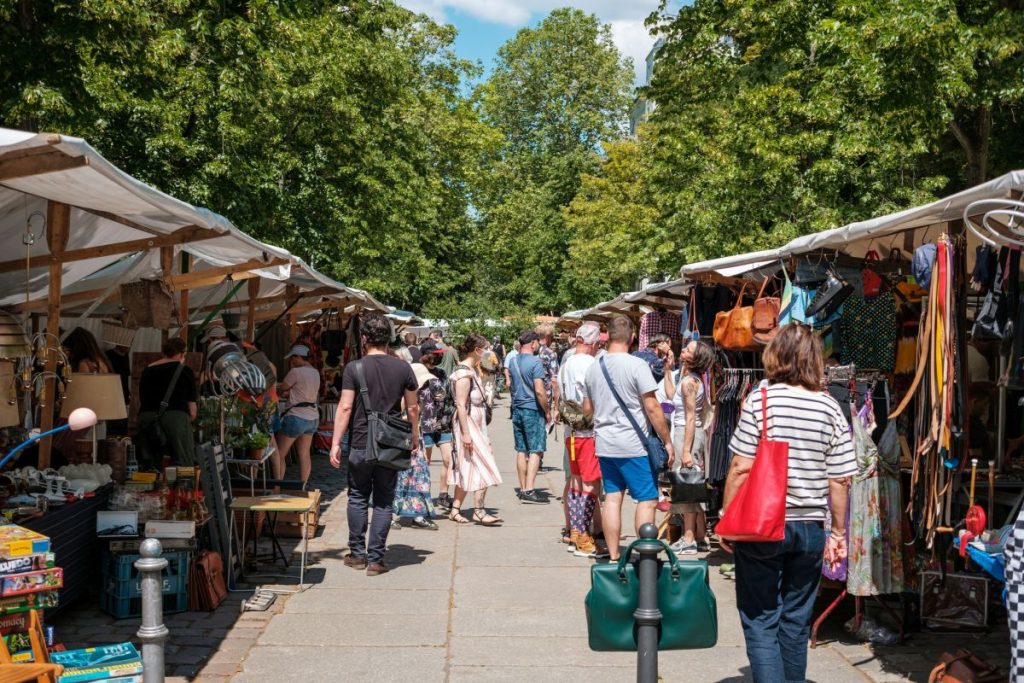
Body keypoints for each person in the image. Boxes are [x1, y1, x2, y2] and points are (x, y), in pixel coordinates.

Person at [721, 323, 856, 683]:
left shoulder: (761, 399)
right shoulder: (830, 406)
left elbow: (739, 467)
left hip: (764, 526)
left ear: (775, 355)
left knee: (761, 618)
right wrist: (838, 533)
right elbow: (840, 478)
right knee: (796, 622)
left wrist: (726, 515)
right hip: (810, 528)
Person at [330, 313, 420, 576]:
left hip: (360, 441)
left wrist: (336, 442)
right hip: (391, 443)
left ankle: (357, 554)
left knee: (357, 496)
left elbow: (345, 406)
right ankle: (376, 559)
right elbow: (412, 407)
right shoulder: (403, 368)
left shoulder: (354, 368)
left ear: (364, 338)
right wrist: (414, 435)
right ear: (389, 338)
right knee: (384, 500)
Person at [582, 315, 674, 562]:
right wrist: (667, 441)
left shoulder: (594, 367)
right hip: (634, 444)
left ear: (608, 336)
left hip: (604, 443)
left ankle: (613, 556)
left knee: (612, 498)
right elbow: (653, 407)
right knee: (646, 500)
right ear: (632, 337)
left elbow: (587, 409)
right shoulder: (636, 366)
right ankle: (644, 557)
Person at [558, 322, 606, 558]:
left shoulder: (566, 363)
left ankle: (576, 532)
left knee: (577, 483)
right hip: (588, 432)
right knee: (590, 484)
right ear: (595, 343)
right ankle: (583, 537)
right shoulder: (591, 364)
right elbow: (594, 400)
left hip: (572, 432)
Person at [664, 340, 715, 555]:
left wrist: (685, 450)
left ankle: (689, 538)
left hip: (686, 435)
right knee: (692, 484)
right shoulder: (688, 379)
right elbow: (670, 395)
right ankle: (701, 535)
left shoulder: (689, 383)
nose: (683, 349)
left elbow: (690, 416)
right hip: (687, 434)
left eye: (688, 349)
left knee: (686, 488)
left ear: (696, 358)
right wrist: (668, 369)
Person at [448, 334, 503, 525]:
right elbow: (461, 405)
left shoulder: (471, 369)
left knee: (468, 465)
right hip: (469, 423)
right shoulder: (464, 373)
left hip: (475, 422)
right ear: (476, 350)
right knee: (484, 463)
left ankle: (455, 509)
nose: (488, 352)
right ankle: (479, 510)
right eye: (485, 348)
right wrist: (465, 433)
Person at [137, 338, 198, 467]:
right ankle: (184, 486)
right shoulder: (185, 371)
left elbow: (142, 398)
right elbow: (192, 410)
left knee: (150, 465)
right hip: (176, 419)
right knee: (183, 462)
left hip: (147, 419)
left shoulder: (147, 371)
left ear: (163, 352)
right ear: (182, 354)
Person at [394, 362, 438, 530]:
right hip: (406, 439)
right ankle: (399, 514)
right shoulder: (406, 396)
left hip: (413, 439)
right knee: (406, 477)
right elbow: (401, 415)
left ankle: (415, 514)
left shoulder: (413, 395)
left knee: (416, 476)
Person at [508, 331, 551, 504]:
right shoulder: (535, 362)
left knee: (521, 449)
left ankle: (522, 487)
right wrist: (547, 410)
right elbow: (539, 390)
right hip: (532, 409)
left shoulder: (512, 361)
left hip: (517, 408)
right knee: (536, 449)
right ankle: (529, 488)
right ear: (533, 344)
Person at [273, 344, 320, 485]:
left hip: (296, 416)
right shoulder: (315, 372)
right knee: (304, 455)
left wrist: (283, 392)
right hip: (312, 417)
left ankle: (277, 486)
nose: (292, 361)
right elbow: (303, 392)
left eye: (293, 358)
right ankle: (303, 486)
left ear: (299, 357)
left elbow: (281, 389)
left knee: (279, 454)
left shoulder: (296, 372)